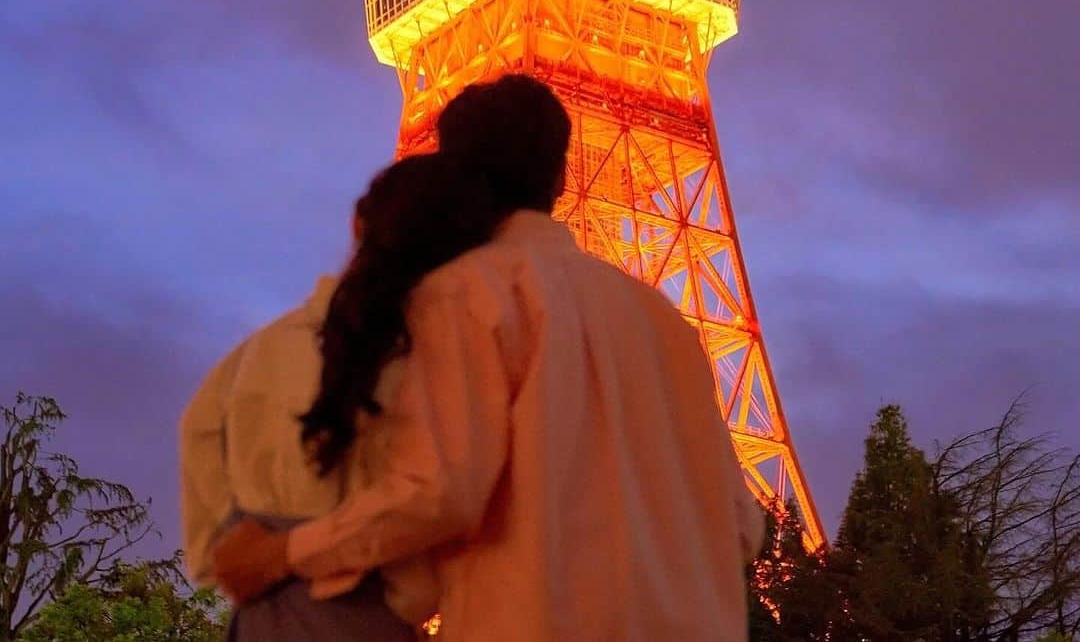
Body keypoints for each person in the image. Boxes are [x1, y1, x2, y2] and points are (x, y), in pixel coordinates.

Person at [213, 73, 765, 641]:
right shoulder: (664, 318)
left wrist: (283, 553)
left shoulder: (466, 293)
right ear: (560, 176)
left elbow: (440, 492)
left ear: (456, 172)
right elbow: (742, 525)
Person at [180, 151, 498, 640]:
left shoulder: (254, 355)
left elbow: (198, 441)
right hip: (367, 619)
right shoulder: (428, 366)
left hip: (259, 621)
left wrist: (248, 556)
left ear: (357, 224)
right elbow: (436, 499)